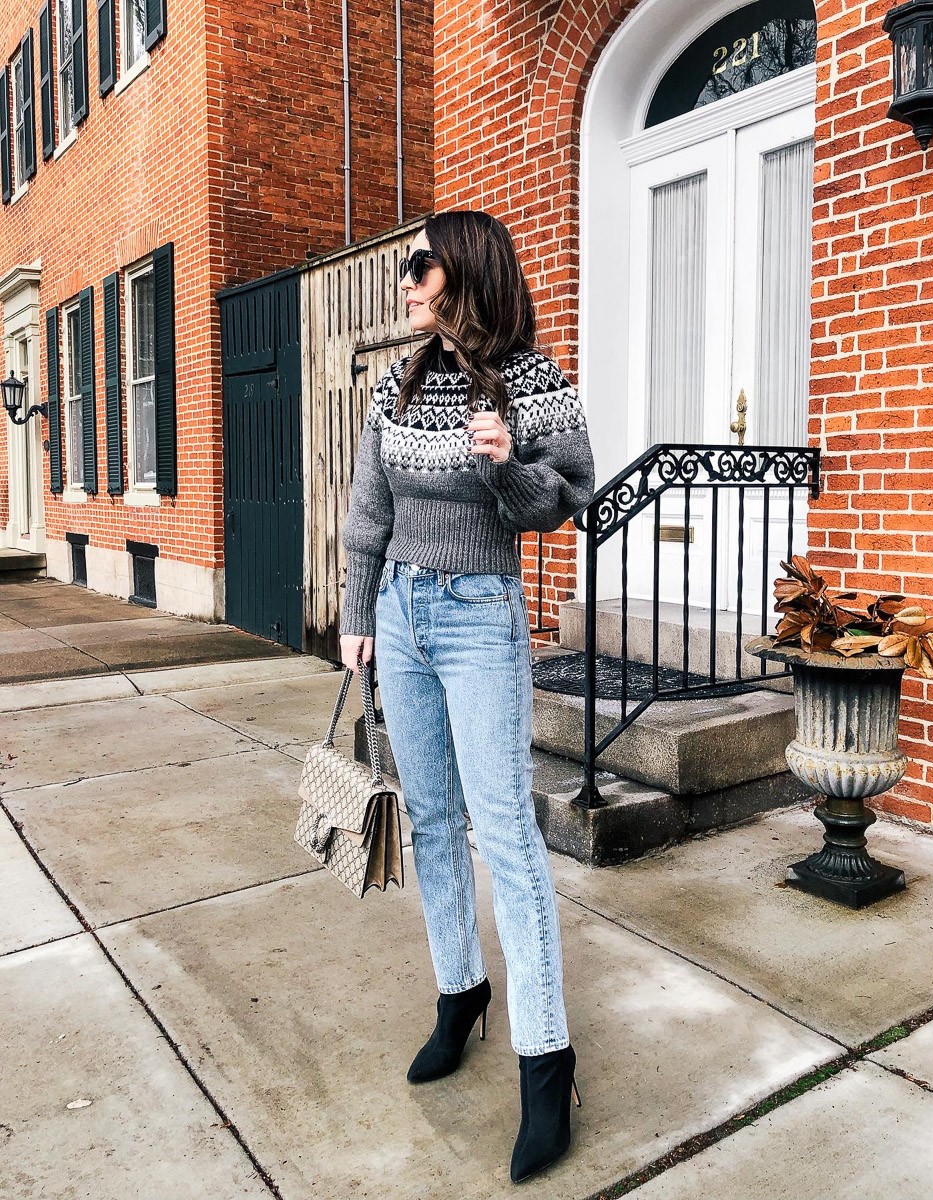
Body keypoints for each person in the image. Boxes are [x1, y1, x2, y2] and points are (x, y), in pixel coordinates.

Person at [338, 209, 595, 1184]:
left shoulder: (532, 381)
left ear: (465, 275)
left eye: (419, 269)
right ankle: (459, 996)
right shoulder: (397, 382)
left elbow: (564, 501)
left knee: (507, 835)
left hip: (481, 613)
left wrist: (502, 464)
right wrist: (358, 612)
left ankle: (546, 1060)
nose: (406, 284)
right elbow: (369, 514)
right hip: (399, 615)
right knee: (433, 821)